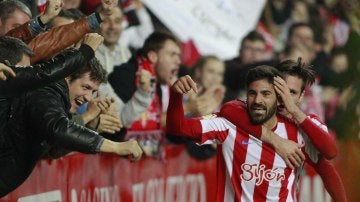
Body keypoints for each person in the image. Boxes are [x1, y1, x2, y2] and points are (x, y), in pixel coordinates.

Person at [0, 34, 143, 197]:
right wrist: (114, 146)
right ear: (67, 77)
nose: (89, 97)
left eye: (94, 92)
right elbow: (57, 128)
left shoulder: (54, 99)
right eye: (86, 87)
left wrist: (90, 125)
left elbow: (52, 148)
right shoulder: (45, 92)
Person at [167, 66, 305, 201]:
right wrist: (175, 95)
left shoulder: (297, 131)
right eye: (252, 93)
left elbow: (326, 158)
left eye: (266, 94)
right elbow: (177, 128)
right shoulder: (227, 126)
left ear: (279, 98)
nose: (257, 100)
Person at [219, 58, 346, 202]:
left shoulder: (305, 127)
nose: (283, 97)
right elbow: (228, 109)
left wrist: (293, 110)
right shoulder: (252, 112)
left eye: (291, 92)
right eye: (280, 89)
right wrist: (276, 140)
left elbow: (329, 156)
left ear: (301, 96)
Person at [108, 31, 181, 157]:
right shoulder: (123, 77)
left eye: (179, 56)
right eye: (172, 54)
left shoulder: (157, 83)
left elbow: (170, 134)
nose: (178, 61)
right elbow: (115, 127)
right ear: (153, 56)